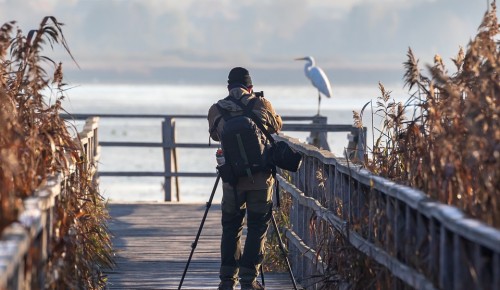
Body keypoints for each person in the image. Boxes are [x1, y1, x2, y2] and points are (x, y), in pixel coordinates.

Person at [207, 67, 283, 290]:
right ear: (250, 87)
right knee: (258, 226)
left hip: (232, 179)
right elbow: (277, 125)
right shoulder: (261, 104)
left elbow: (214, 134)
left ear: (228, 87)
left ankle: (226, 280)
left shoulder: (217, 109)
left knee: (231, 226)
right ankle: (249, 281)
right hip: (260, 178)